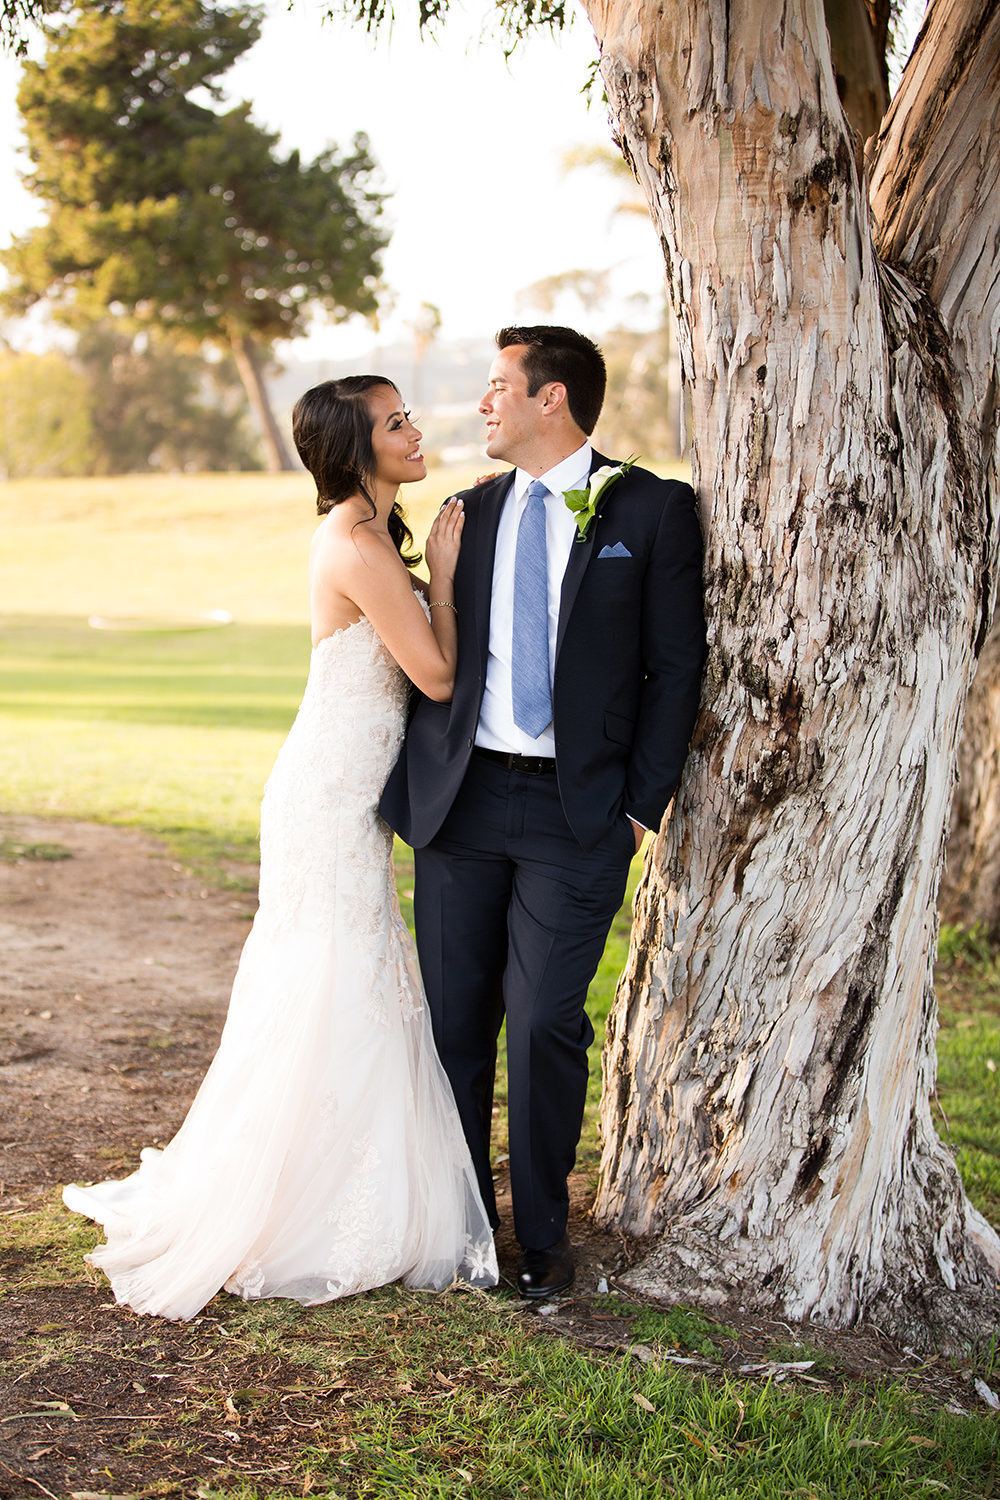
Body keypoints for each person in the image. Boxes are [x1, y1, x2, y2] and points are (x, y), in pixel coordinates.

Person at [63, 377, 498, 1319]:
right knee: (333, 974)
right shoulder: (353, 539)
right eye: (396, 423)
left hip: (340, 794)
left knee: (350, 972)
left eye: (408, 415)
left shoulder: (371, 533)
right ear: (356, 448)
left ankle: (341, 1178)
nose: (416, 431)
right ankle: (302, 1198)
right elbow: (434, 673)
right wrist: (452, 578)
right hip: (327, 800)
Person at [381, 326, 706, 1300]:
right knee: (454, 1027)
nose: (482, 405)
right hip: (464, 801)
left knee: (543, 1021)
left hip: (580, 813)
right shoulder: (466, 514)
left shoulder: (650, 509)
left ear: (550, 398)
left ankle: (543, 1239)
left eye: (497, 388)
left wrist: (640, 803)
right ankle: (463, 1228)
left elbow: (677, 664)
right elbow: (433, 656)